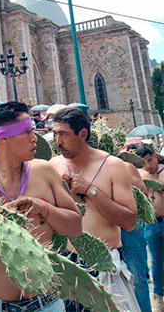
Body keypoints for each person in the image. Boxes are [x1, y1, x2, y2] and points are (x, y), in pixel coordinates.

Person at [0, 101, 81, 311]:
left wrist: (43, 209)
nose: (35, 138)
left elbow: (75, 227)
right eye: (27, 131)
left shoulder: (44, 171)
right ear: (3, 137)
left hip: (47, 303)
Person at [50, 107, 141, 312]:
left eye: (63, 134)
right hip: (65, 266)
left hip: (104, 266)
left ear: (82, 134)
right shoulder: (53, 165)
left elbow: (129, 222)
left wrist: (91, 192)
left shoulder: (114, 166)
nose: (57, 141)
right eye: (55, 133)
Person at [120, 146, 153, 312]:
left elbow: (143, 194)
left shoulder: (125, 167)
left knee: (137, 278)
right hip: (101, 232)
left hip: (129, 229)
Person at [139, 146, 164, 310]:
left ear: (155, 156)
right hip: (151, 222)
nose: (148, 166)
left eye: (150, 160)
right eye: (144, 163)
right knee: (157, 261)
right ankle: (158, 297)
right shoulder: (140, 175)